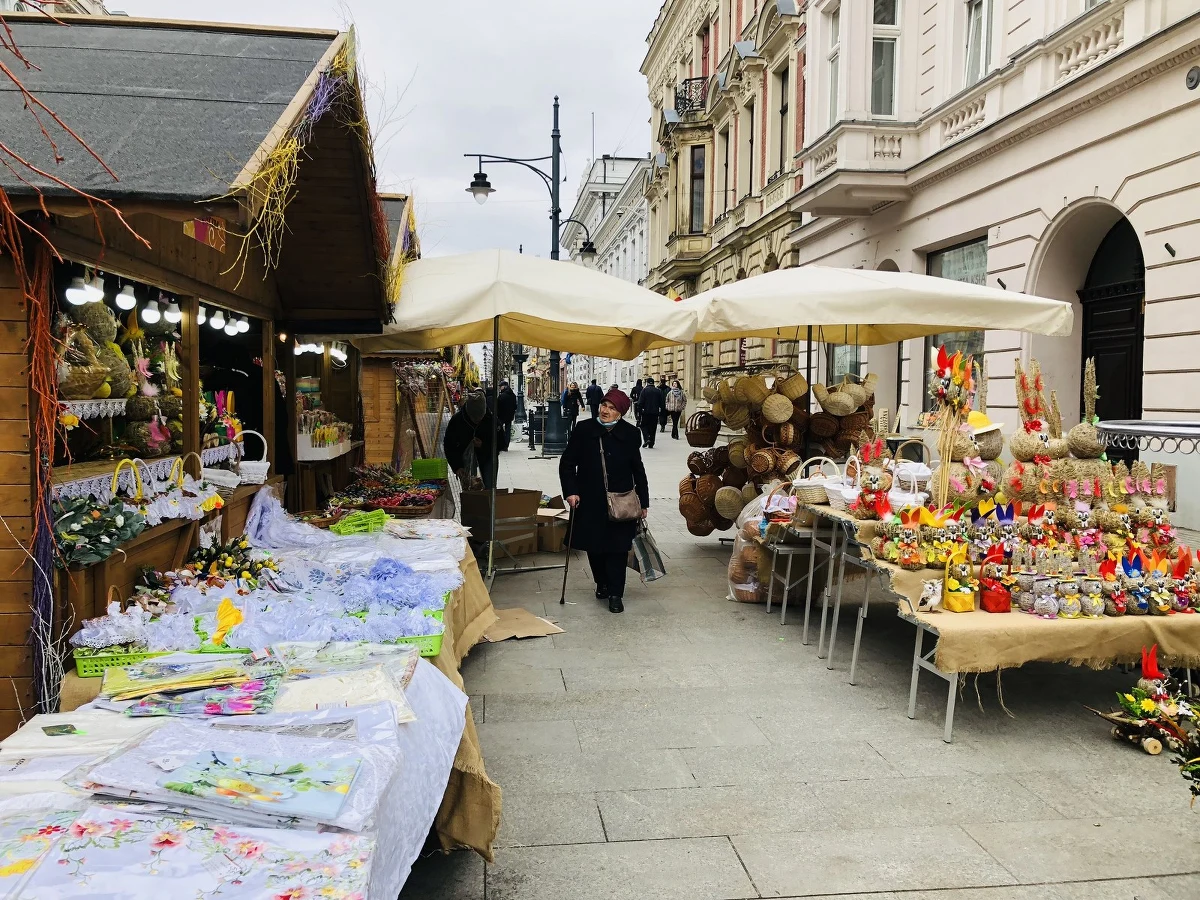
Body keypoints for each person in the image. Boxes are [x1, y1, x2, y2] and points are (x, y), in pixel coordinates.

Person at [559, 388, 649, 614]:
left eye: (612, 408)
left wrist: (644, 502)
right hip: (589, 500)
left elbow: (638, 469)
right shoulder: (584, 429)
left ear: (621, 413)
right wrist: (571, 491)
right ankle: (602, 582)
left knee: (618, 549)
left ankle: (616, 594)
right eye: (604, 405)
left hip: (621, 501)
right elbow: (567, 464)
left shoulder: (630, 434)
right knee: (595, 547)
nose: (605, 410)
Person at [444, 389, 495, 489]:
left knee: (489, 489)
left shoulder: (490, 420)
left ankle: (488, 503)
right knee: (469, 490)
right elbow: (449, 445)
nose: (477, 421)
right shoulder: (457, 421)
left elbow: (501, 443)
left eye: (480, 418)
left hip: (487, 460)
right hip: (464, 462)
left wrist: (483, 445)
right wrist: (457, 466)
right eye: (474, 418)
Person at [636, 378, 663, 449]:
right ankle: (651, 443)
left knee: (643, 425)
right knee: (653, 427)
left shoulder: (644, 390)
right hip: (655, 412)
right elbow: (661, 402)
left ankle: (647, 437)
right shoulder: (658, 391)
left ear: (647, 383)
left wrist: (639, 411)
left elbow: (640, 402)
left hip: (646, 412)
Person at [496, 381, 517, 452]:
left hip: (501, 416)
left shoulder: (502, 396)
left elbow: (498, 406)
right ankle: (506, 446)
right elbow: (515, 406)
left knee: (499, 430)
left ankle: (500, 444)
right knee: (508, 431)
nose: (500, 388)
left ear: (504, 386)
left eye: (500, 386)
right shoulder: (513, 395)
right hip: (510, 416)